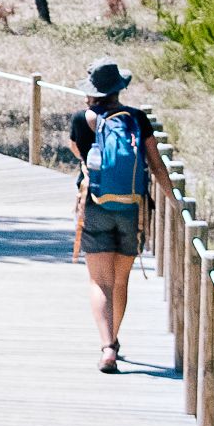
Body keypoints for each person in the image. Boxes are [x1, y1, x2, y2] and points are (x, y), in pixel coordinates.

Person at [68, 58, 172, 373]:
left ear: (92, 91)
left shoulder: (81, 119)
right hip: (132, 207)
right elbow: (155, 163)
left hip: (95, 205)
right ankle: (115, 337)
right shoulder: (137, 119)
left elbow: (77, 152)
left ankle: (107, 347)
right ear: (118, 90)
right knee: (120, 279)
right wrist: (172, 199)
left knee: (100, 281)